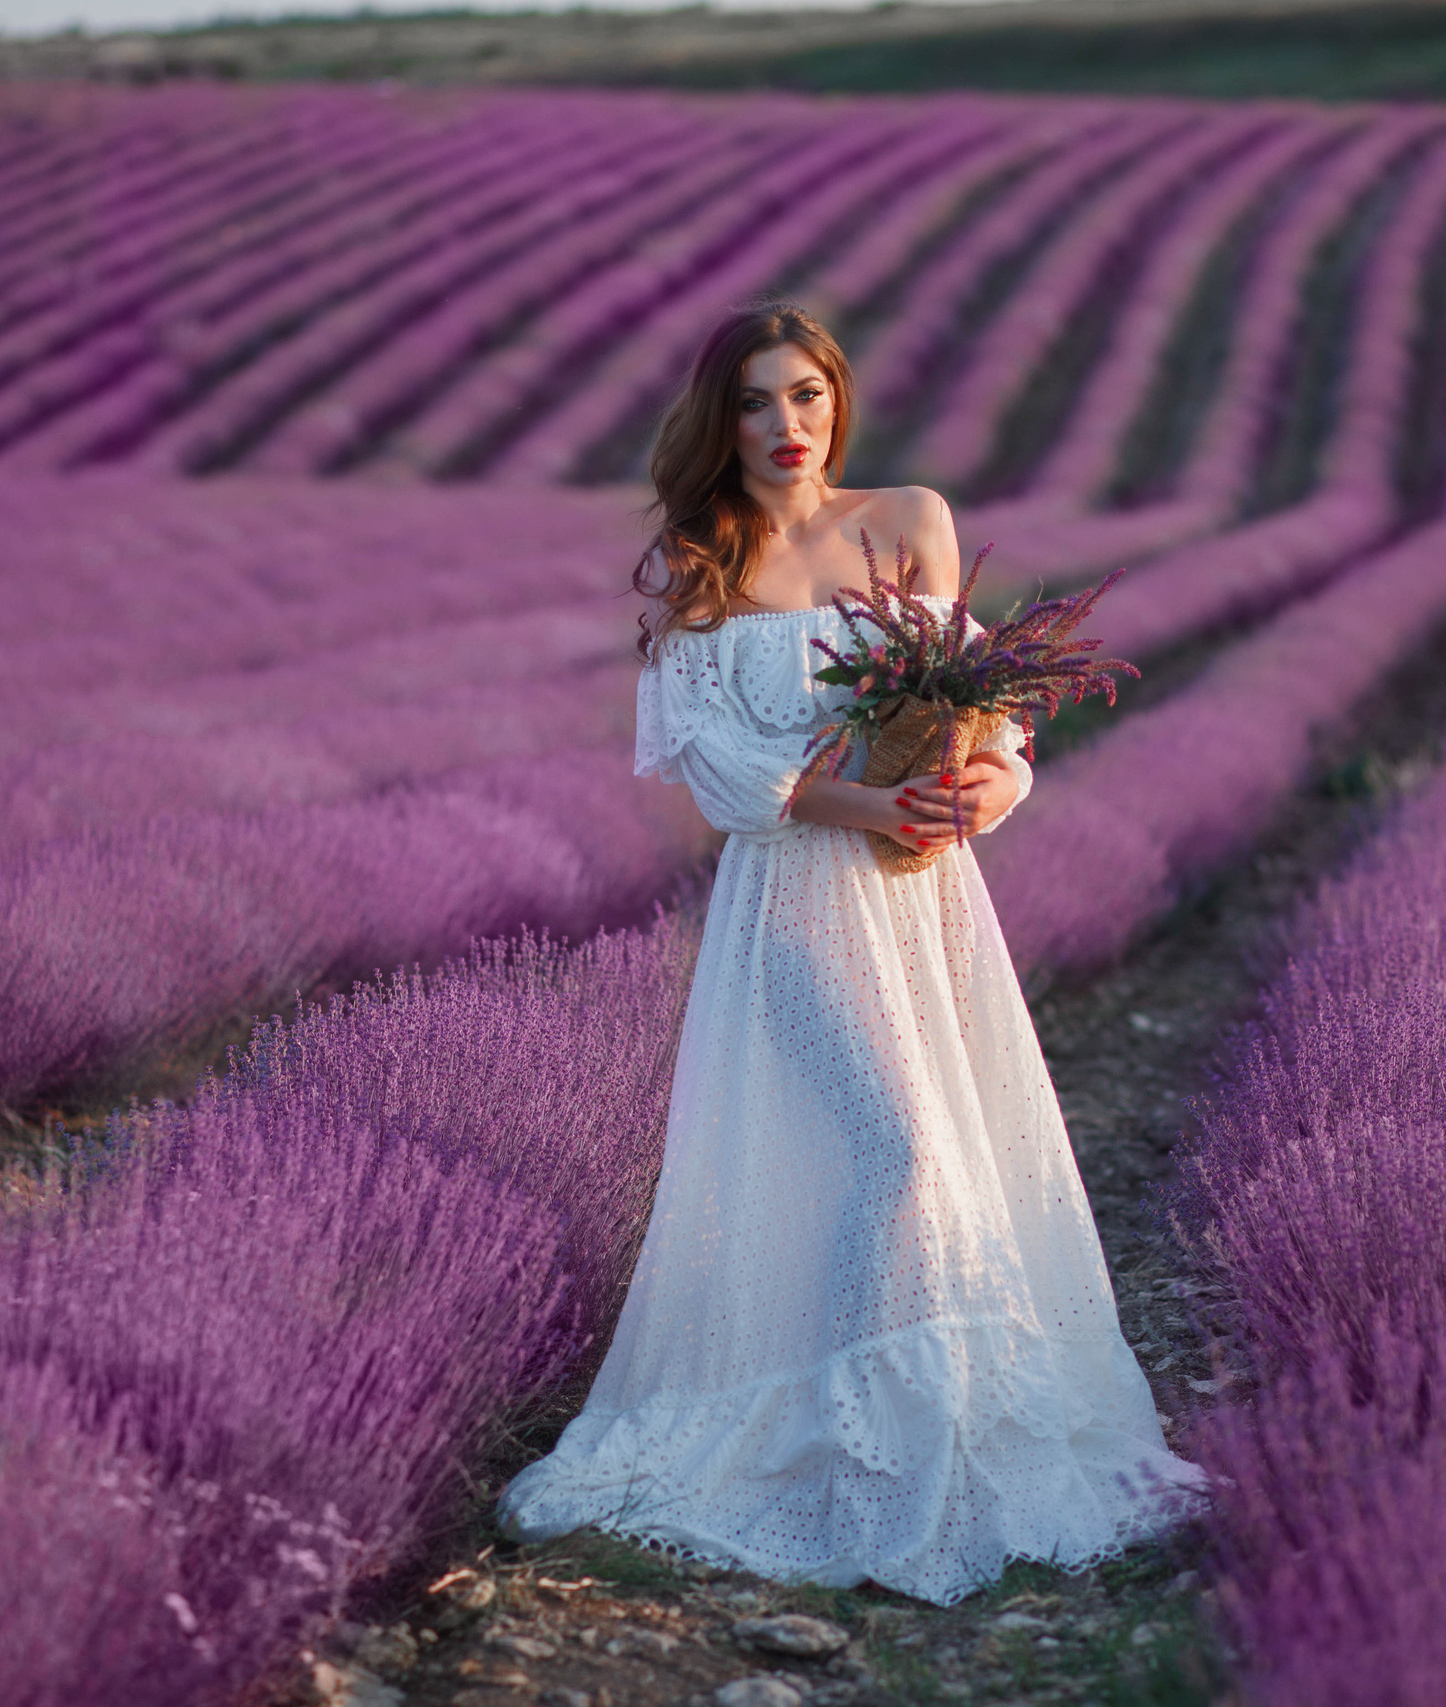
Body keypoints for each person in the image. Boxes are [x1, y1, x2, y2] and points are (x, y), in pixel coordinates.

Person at [497, 301, 1201, 1606]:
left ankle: (917, 1425)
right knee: (899, 1148)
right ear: (722, 420)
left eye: (806, 397)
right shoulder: (698, 561)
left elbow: (975, 706)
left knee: (938, 1142)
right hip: (799, 896)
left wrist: (993, 788)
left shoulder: (910, 522)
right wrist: (870, 808)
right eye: (756, 404)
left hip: (929, 895)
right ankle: (860, 1451)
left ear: (838, 400)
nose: (785, 428)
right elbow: (717, 773)